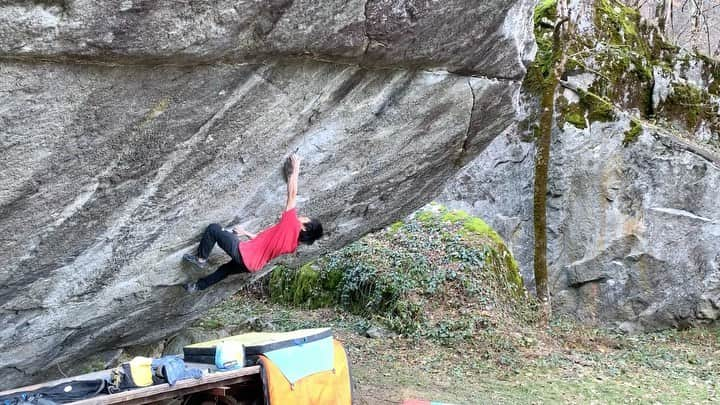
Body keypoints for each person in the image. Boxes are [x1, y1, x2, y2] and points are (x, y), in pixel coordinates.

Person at [182, 154, 323, 292]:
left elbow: (292, 195)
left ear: (305, 227)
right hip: (252, 265)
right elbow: (262, 241)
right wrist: (244, 233)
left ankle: (201, 259)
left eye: (307, 219)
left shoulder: (292, 226)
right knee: (224, 270)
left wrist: (296, 168)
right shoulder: (292, 245)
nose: (304, 216)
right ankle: (197, 287)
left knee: (213, 229)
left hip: (245, 255)